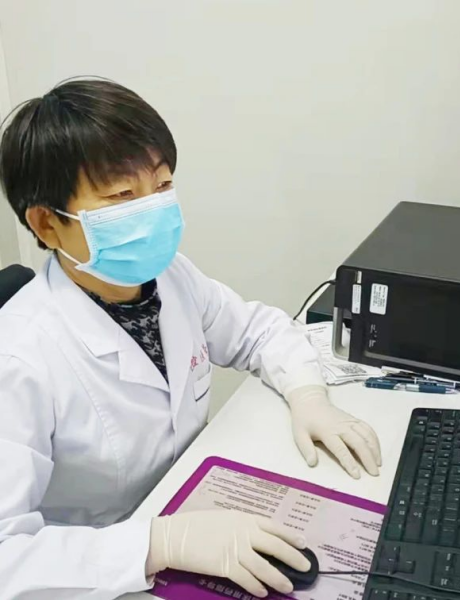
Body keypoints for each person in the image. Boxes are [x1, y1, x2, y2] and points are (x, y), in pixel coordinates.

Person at [0, 79, 382, 600]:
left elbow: (259, 331)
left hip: (196, 506)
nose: (153, 210)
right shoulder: (18, 356)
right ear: (47, 224)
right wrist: (159, 543)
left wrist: (308, 395)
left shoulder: (171, 277)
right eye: (122, 196)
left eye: (161, 186)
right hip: (95, 572)